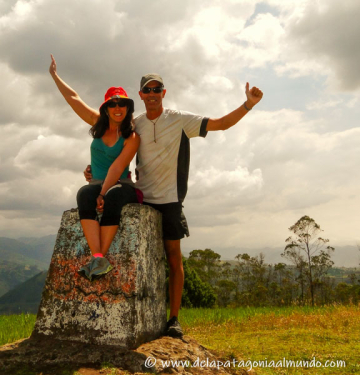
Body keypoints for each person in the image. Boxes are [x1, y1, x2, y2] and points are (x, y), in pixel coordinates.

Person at [86, 73, 264, 338]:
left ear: (164, 93)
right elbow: (110, 147)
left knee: (173, 258)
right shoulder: (135, 124)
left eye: (157, 89)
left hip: (169, 199)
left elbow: (221, 124)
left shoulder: (180, 120)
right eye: (148, 90)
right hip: (141, 198)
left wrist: (248, 104)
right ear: (142, 95)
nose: (153, 93)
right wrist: (95, 172)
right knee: (131, 256)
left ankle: (174, 319)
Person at [49, 55, 140, 281]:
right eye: (113, 104)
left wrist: (102, 193)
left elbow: (118, 166)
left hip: (121, 184)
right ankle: (97, 256)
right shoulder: (97, 123)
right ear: (107, 108)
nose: (118, 108)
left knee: (113, 199)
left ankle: (101, 257)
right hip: (97, 184)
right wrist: (54, 76)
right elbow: (74, 98)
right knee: (83, 194)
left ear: (128, 108)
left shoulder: (131, 135)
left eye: (122, 104)